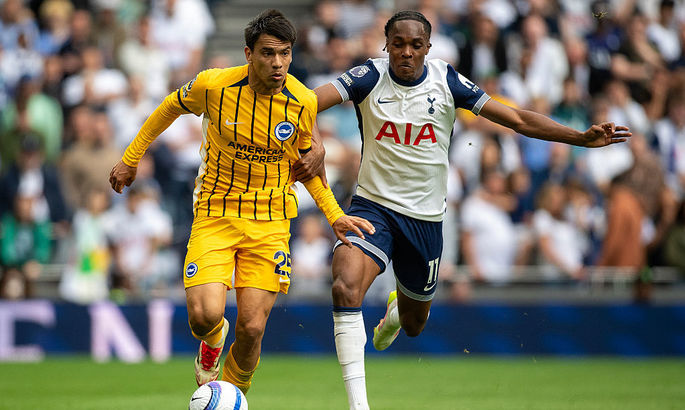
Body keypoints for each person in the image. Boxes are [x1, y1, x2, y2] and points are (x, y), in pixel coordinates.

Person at [311, 10, 631, 410]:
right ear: (386, 45)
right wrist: (314, 143)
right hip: (373, 209)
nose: (406, 52)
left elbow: (516, 119)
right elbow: (306, 103)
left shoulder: (446, 81)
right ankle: (359, 405)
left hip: (425, 221)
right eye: (398, 44)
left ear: (428, 48)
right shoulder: (368, 77)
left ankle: (396, 313)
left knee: (413, 324)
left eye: (415, 45)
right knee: (344, 286)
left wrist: (579, 138)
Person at [108, 9, 373, 393]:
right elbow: (169, 107)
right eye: (268, 53)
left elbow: (307, 167)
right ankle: (213, 340)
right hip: (216, 212)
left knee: (251, 327)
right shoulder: (214, 86)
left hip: (270, 221)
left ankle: (230, 397)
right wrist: (130, 158)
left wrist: (334, 215)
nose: (278, 63)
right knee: (204, 316)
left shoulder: (302, 101)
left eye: (285, 53)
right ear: (249, 54)